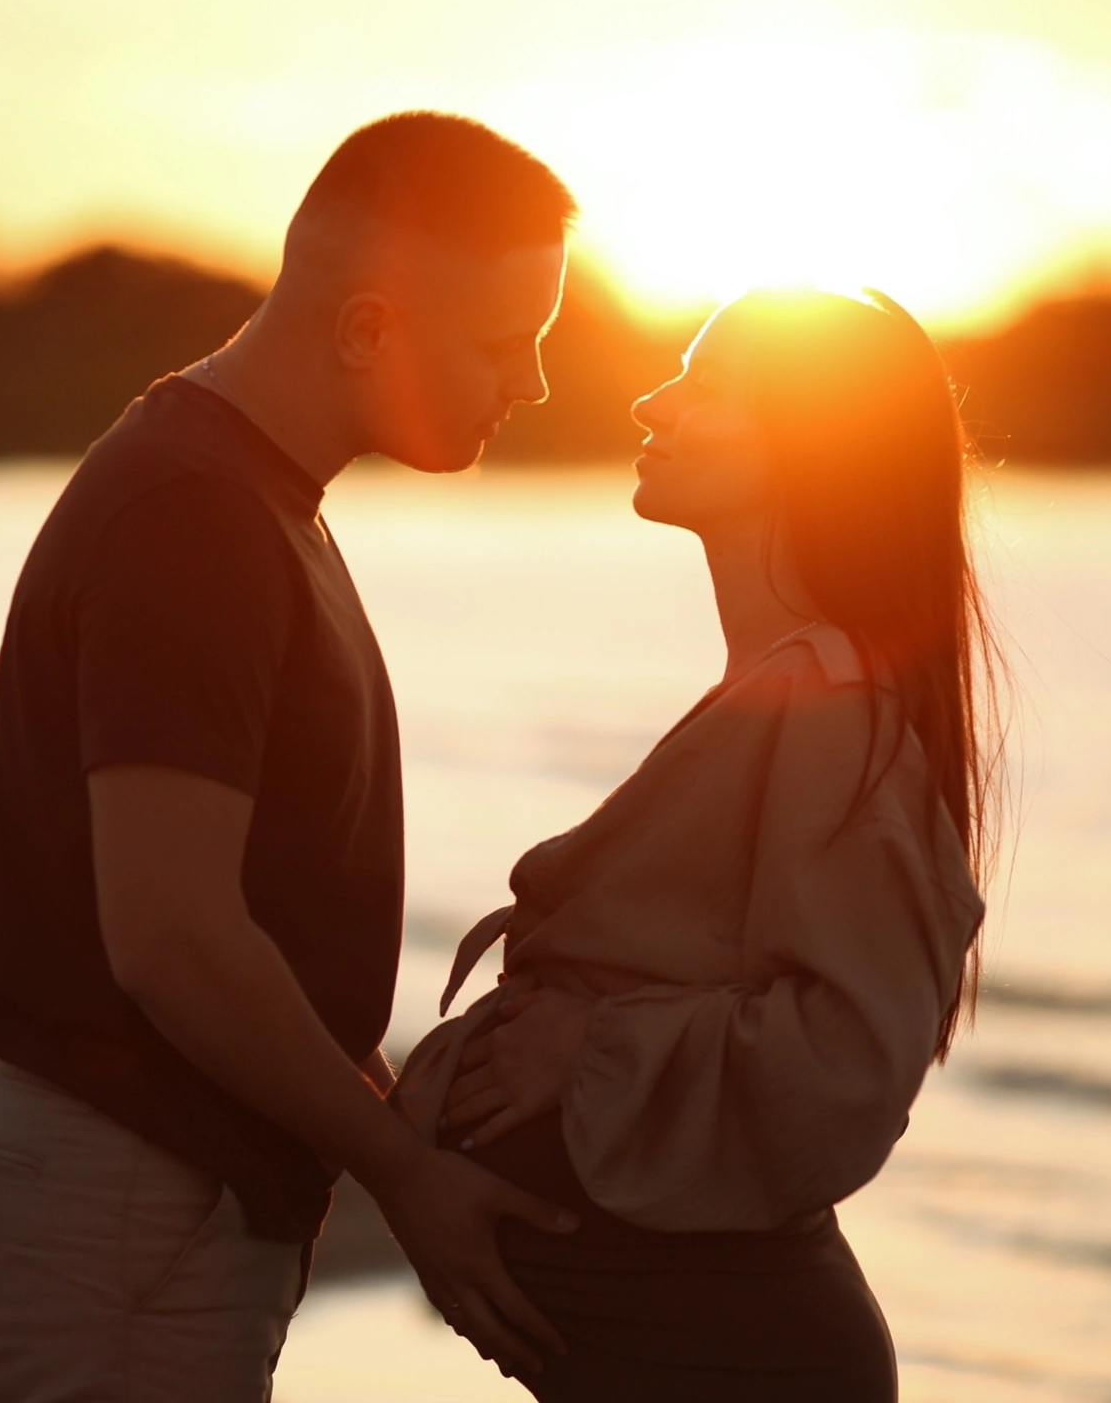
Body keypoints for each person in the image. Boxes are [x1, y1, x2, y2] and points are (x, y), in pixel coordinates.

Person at [0, 112, 583, 1403]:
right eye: (510, 343)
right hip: (115, 1199)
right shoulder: (197, 520)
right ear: (367, 330)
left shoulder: (247, 498)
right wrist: (402, 1175)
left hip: (129, 1198)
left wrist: (407, 1121)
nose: (536, 384)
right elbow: (173, 940)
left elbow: (253, 925)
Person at [394, 286, 1003, 1401]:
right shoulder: (780, 699)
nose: (650, 401)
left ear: (809, 446)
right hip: (671, 1340)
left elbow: (850, 1060)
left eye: (703, 384)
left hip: (739, 1355)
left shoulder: (837, 715)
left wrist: (594, 1047)